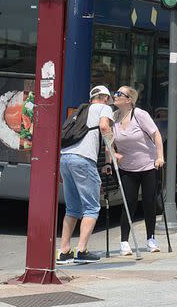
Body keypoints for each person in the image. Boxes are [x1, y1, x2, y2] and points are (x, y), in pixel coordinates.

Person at [56, 85, 115, 264]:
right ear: (105, 98)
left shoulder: (79, 111)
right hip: (83, 160)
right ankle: (81, 251)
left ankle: (64, 251)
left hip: (65, 158)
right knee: (91, 207)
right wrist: (110, 152)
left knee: (72, 208)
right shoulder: (105, 108)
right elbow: (104, 127)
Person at [112, 85, 165, 255]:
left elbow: (156, 135)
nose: (115, 95)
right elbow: (109, 142)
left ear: (129, 100)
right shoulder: (113, 118)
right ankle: (124, 242)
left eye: (119, 94)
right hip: (127, 168)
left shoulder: (139, 115)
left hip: (148, 165)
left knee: (149, 203)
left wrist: (160, 157)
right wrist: (111, 158)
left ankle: (151, 239)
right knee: (129, 203)